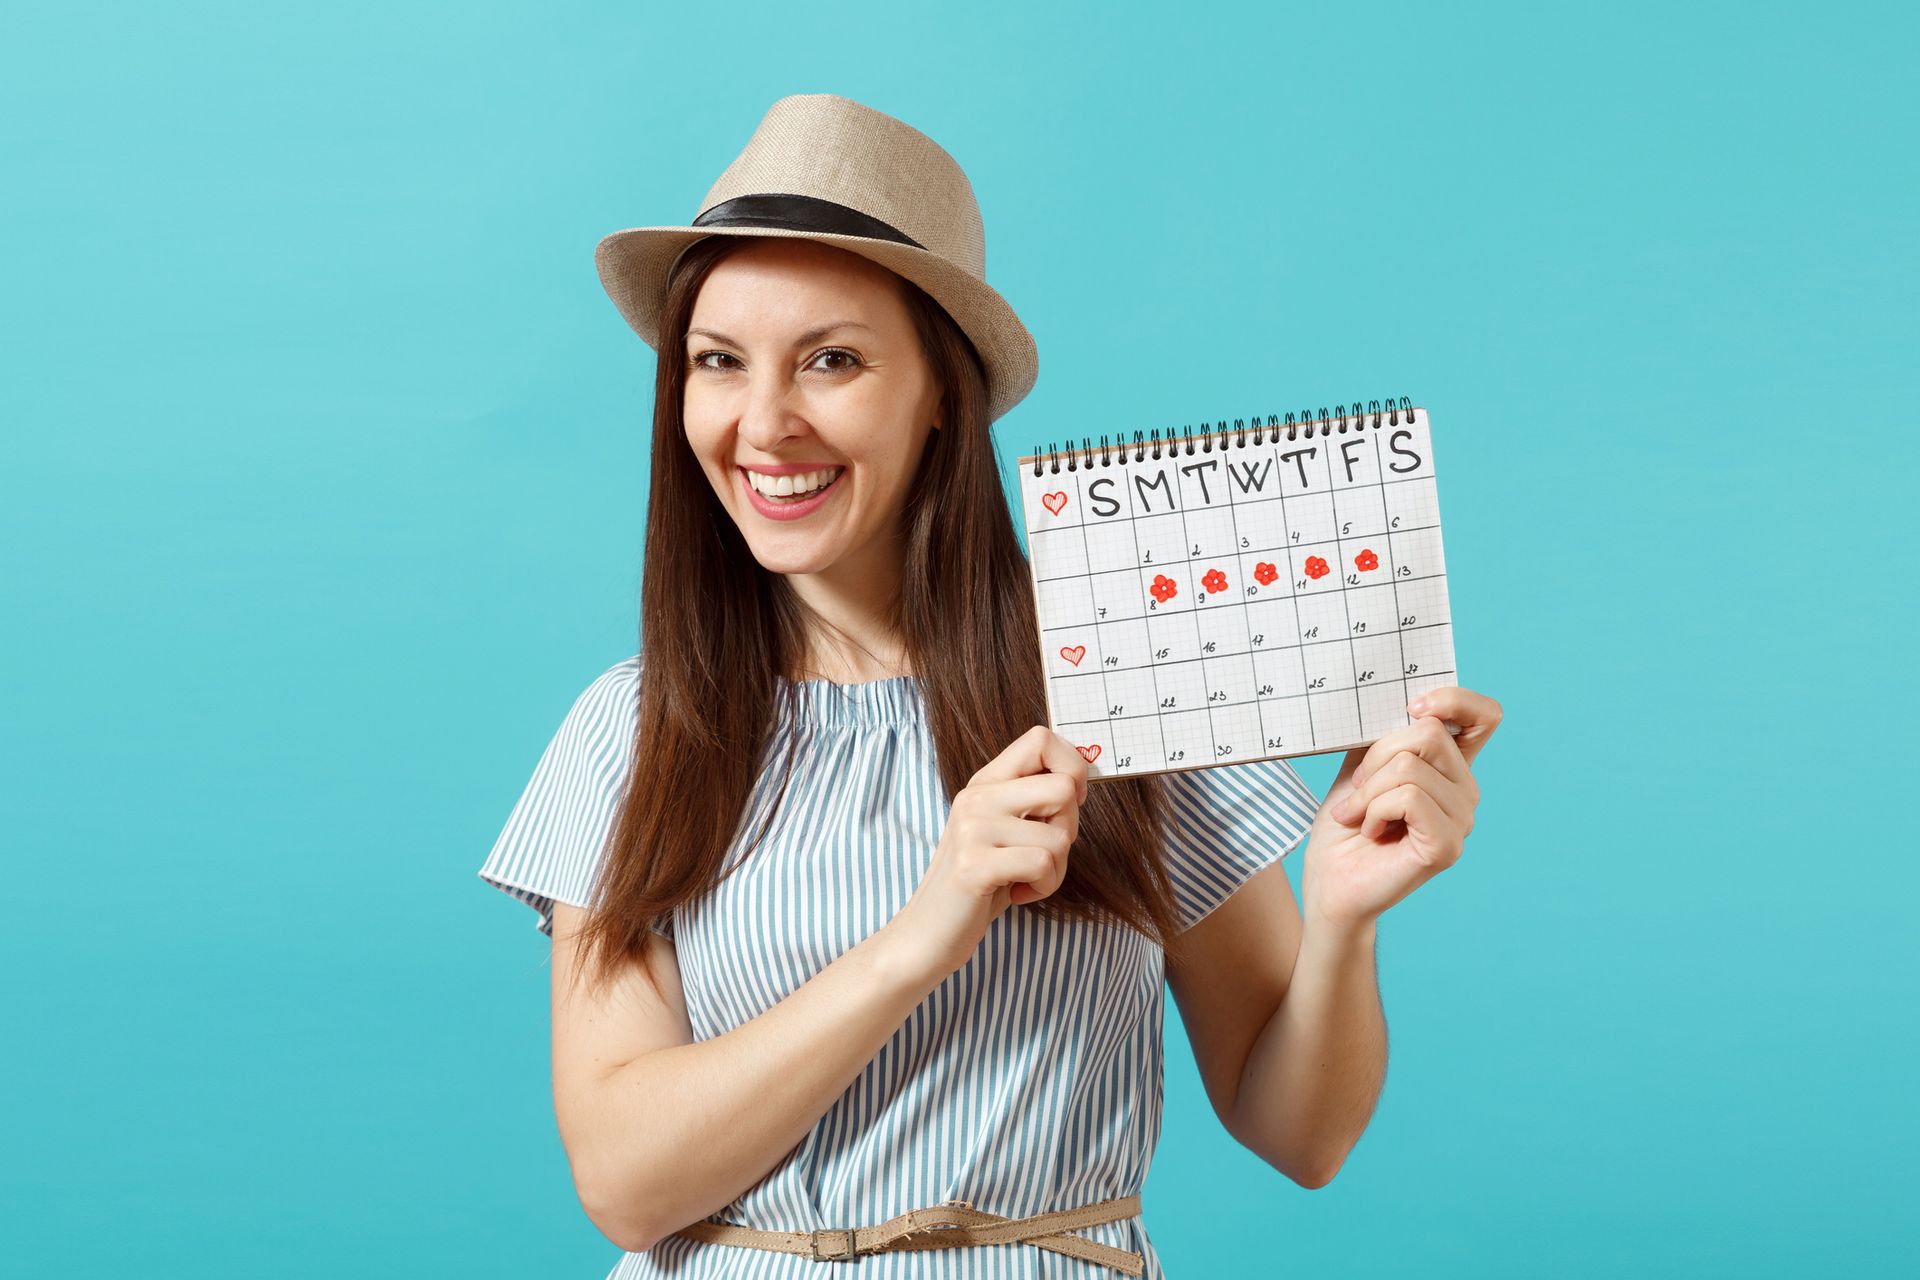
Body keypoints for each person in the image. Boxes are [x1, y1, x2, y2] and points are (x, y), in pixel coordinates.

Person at [478, 93, 1502, 1279]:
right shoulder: (635, 725)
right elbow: (623, 1180)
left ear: (942, 396)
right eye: (719, 362)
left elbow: (1302, 1131)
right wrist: (925, 931)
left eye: (834, 359)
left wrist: (1341, 916)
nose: (764, 423)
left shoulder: (1124, 673)